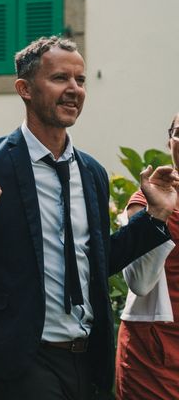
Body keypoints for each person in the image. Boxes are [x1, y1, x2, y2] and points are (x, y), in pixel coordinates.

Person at [0, 36, 179, 399]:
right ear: (24, 88)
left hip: (86, 358)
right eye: (60, 79)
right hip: (20, 358)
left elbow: (100, 261)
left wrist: (156, 216)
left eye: (80, 80)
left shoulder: (93, 173)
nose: (74, 90)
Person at [115, 112, 179, 399]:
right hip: (155, 352)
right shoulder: (147, 199)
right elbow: (139, 282)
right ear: (170, 142)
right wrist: (159, 214)